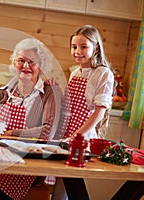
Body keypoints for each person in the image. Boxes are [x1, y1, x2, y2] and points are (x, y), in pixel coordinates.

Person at [0, 38, 63, 200]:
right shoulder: (1, 93)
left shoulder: (49, 93)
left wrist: (11, 133)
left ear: (41, 66)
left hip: (24, 162)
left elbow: (47, 130)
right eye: (21, 60)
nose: (26, 66)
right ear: (14, 63)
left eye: (32, 62)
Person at [52, 25, 115, 200]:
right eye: (74, 47)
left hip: (82, 136)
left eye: (83, 46)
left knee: (72, 181)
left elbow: (99, 112)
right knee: (62, 182)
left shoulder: (103, 74)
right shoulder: (75, 73)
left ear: (96, 48)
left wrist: (77, 136)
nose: (77, 51)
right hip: (67, 132)